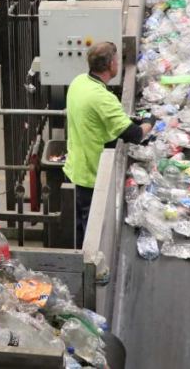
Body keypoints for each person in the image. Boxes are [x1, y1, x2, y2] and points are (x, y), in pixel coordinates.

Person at [64, 41, 152, 248]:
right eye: (117, 60)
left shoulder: (78, 82)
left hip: (73, 169)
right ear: (111, 64)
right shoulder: (103, 98)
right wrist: (151, 121)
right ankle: (93, 275)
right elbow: (135, 134)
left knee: (77, 230)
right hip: (92, 177)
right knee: (92, 234)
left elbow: (95, 119)